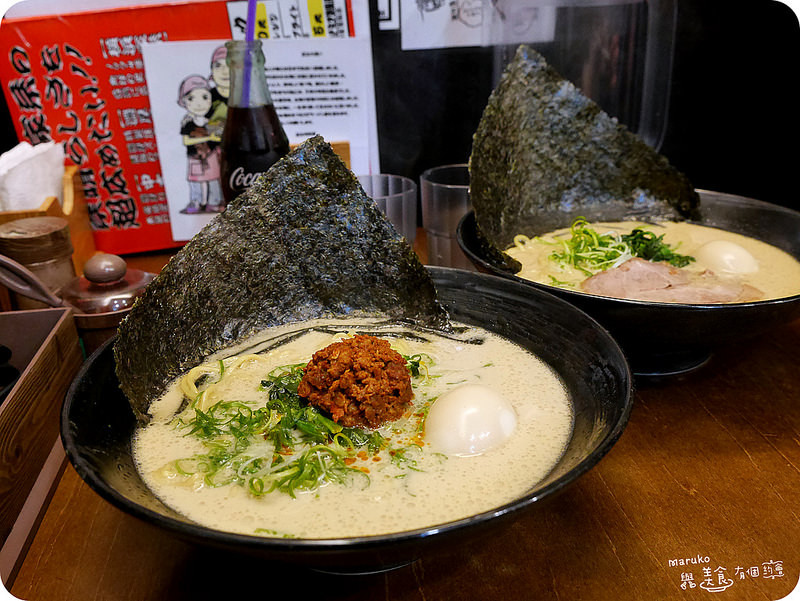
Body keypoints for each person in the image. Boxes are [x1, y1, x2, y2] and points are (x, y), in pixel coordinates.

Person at [177, 74, 224, 213]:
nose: (199, 103)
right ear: (184, 102)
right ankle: (196, 202)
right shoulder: (187, 122)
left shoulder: (212, 120)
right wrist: (209, 137)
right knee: (195, 181)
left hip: (212, 155)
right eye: (191, 98)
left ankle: (214, 202)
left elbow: (219, 137)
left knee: (214, 180)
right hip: (195, 156)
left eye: (204, 97)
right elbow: (186, 140)